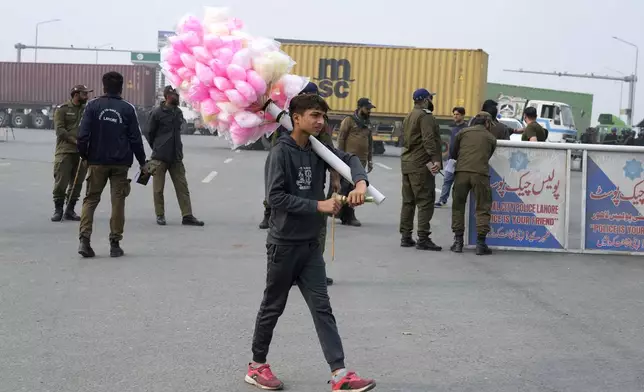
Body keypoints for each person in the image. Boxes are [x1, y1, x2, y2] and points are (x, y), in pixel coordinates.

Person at [246, 94, 376, 392]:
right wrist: (319, 205)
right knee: (273, 306)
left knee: (322, 308)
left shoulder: (319, 149)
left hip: (309, 247)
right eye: (314, 115)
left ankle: (339, 374)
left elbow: (350, 159)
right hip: (284, 245)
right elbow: (275, 197)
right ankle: (256, 366)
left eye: (322, 117)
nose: (320, 121)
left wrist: (359, 183)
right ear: (296, 117)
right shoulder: (281, 152)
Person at [259, 82, 337, 286]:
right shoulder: (286, 127)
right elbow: (275, 178)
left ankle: (313, 269)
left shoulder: (319, 125)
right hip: (292, 188)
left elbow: (329, 151)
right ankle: (290, 270)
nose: (318, 119)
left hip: (314, 185)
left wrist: (335, 177)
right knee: (291, 229)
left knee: (317, 230)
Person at [76, 71, 147, 258]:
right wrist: (142, 161)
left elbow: (82, 136)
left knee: (90, 200)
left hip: (96, 162)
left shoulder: (92, 106)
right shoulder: (127, 108)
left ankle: (85, 240)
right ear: (121, 87)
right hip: (120, 164)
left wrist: (84, 155)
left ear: (103, 86)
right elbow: (135, 138)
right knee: (118, 202)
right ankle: (115, 244)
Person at [147, 86, 204, 227]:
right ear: (167, 96)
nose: (177, 97)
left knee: (182, 187)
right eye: (174, 95)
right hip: (160, 157)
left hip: (176, 157)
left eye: (177, 95)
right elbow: (149, 133)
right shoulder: (157, 113)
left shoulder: (178, 112)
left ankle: (187, 216)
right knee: (158, 189)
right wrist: (157, 147)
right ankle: (160, 215)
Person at [399, 88, 442, 251]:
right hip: (420, 163)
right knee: (425, 200)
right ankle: (423, 238)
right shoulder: (425, 116)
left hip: (407, 162)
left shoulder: (409, 115)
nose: (432, 101)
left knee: (408, 201)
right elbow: (428, 139)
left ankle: (406, 236)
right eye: (430, 98)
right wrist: (435, 159)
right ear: (425, 100)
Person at [449, 111, 497, 255]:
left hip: (461, 173)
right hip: (480, 174)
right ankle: (480, 244)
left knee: (458, 206)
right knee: (482, 207)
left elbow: (453, 151)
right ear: (487, 123)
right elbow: (488, 154)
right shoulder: (491, 138)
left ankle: (458, 243)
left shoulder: (462, 133)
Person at [51, 85, 92, 222]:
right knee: (61, 182)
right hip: (65, 151)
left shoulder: (87, 110)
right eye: (84, 94)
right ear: (76, 94)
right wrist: (76, 142)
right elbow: (60, 131)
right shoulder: (62, 109)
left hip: (82, 153)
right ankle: (58, 209)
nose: (87, 96)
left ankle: (70, 209)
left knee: (77, 183)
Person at [336, 97, 376, 227]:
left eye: (370, 109)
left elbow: (370, 143)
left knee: (353, 187)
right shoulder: (349, 121)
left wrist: (370, 160)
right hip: (348, 160)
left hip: (361, 162)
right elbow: (341, 139)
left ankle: (343, 213)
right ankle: (348, 215)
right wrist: (339, 158)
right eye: (367, 108)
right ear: (360, 108)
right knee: (347, 187)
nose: (369, 111)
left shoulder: (367, 123)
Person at [435, 106, 467, 207]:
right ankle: (442, 200)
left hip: (461, 160)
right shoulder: (454, 128)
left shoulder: (466, 129)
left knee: (459, 184)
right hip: (451, 160)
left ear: (462, 115)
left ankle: (459, 202)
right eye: (454, 114)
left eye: (457, 114)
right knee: (447, 180)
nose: (455, 116)